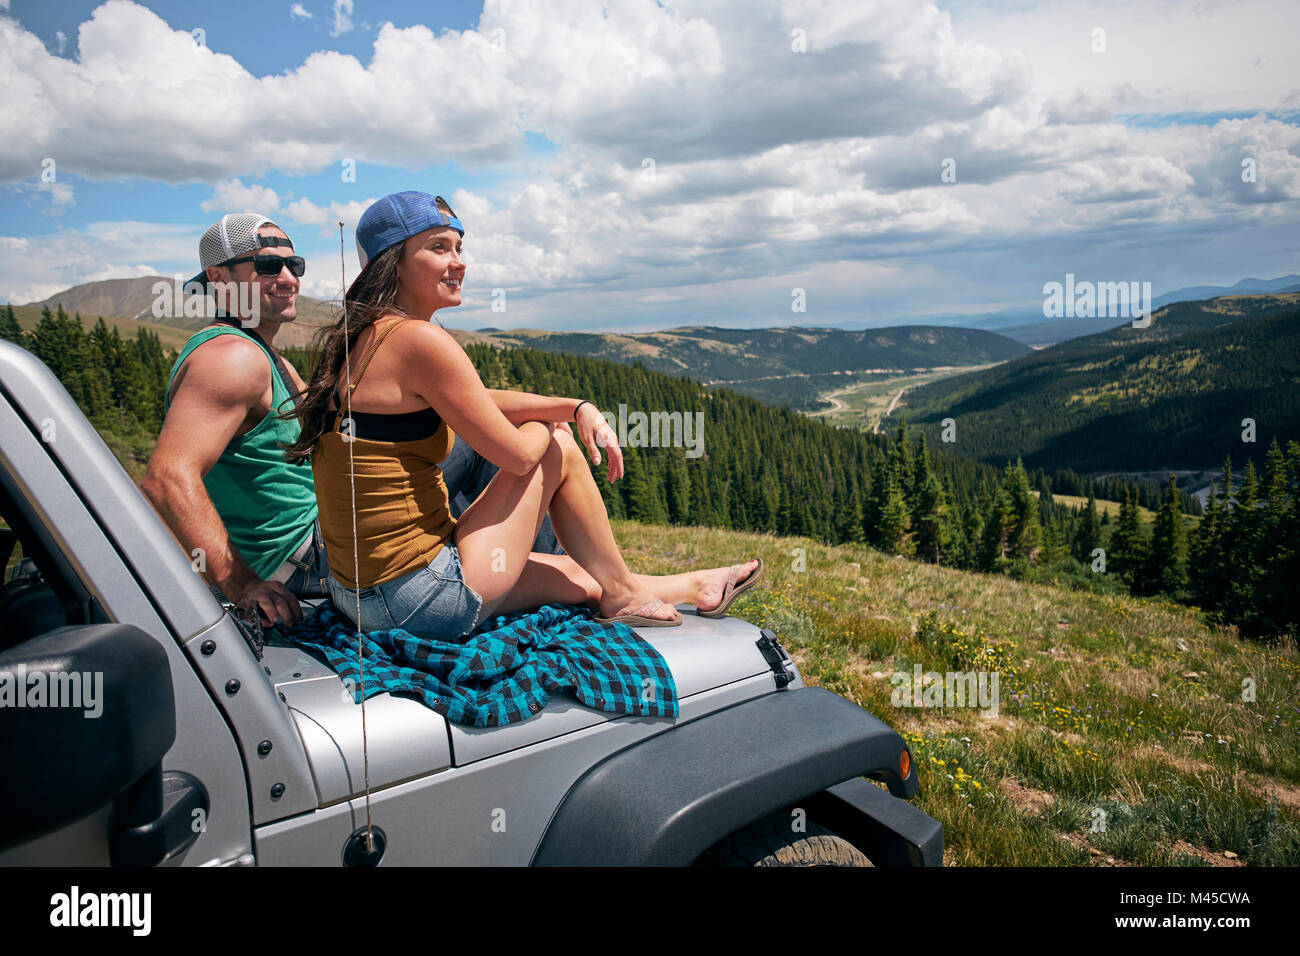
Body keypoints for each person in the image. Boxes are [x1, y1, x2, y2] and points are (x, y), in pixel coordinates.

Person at [279, 191, 762, 638]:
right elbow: (515, 457)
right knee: (555, 448)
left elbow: (476, 397)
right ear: (395, 264)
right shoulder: (418, 340)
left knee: (575, 574)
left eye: (459, 247)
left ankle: (697, 585)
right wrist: (551, 426)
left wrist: (575, 406)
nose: (458, 262)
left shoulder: (368, 335)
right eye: (438, 248)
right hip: (412, 600)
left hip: (358, 593)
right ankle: (624, 596)